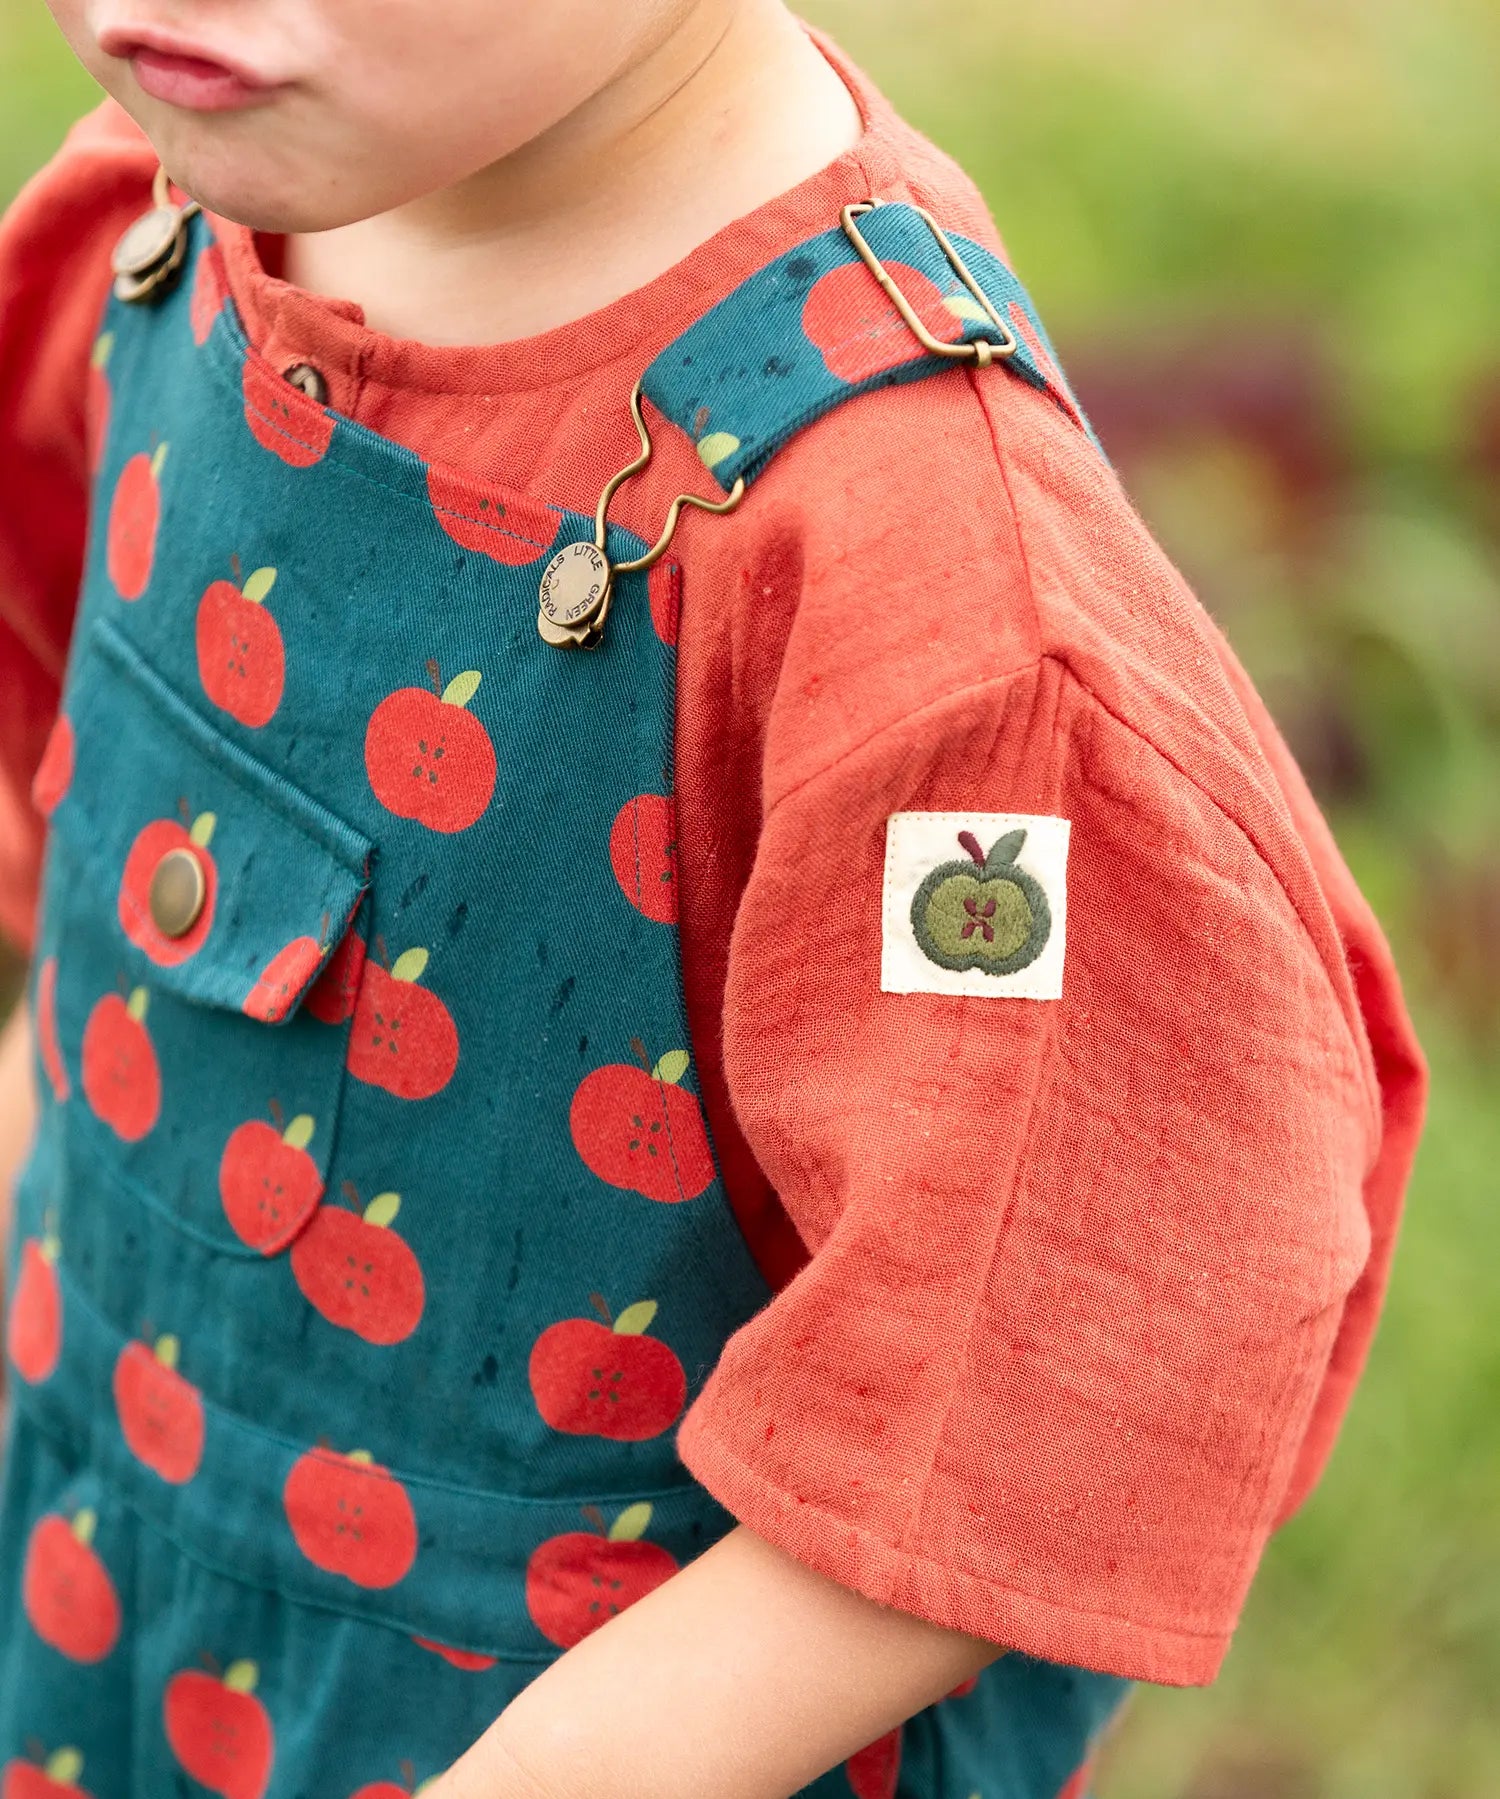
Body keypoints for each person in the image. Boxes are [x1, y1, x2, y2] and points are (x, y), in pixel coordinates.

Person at [0, 3, 1427, 1796]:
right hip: (83, 1618)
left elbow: (1014, 1389)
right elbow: (104, 962)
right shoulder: (166, 236)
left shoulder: (926, 603)